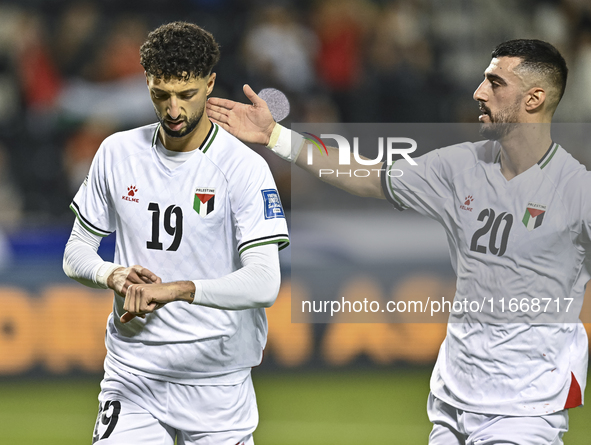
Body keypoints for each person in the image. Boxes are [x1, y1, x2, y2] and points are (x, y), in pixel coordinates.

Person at [206, 39, 588, 444]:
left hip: (526, 408)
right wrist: (277, 137)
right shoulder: (461, 166)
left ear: (534, 98)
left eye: (495, 83)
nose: (478, 92)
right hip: (452, 401)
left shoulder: (576, 190)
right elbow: (367, 173)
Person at [63, 22, 289, 445]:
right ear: (146, 81)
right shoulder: (117, 152)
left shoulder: (242, 168)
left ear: (209, 84)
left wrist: (174, 290)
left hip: (217, 383)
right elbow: (76, 251)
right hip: (133, 375)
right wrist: (113, 275)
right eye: (160, 94)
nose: (173, 110)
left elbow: (264, 282)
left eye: (186, 95)